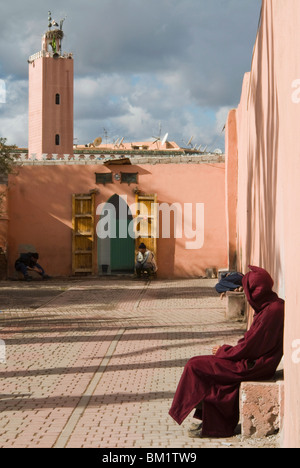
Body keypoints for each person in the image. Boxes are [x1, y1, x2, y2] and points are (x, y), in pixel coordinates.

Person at [169, 265, 284, 438]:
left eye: (247, 290)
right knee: (213, 376)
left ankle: (197, 408)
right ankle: (212, 424)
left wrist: (224, 351)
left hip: (255, 365)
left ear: (256, 291)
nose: (246, 295)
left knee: (196, 365)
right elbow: (252, 342)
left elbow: (251, 347)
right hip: (253, 360)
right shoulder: (269, 307)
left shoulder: (273, 311)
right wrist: (229, 351)